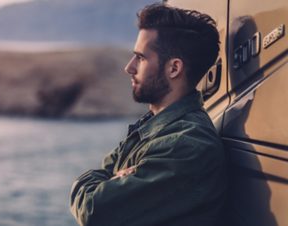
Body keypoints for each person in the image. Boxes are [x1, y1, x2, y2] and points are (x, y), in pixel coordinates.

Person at [69, 3, 227, 226]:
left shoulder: (186, 144)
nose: (129, 67)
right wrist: (108, 179)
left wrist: (87, 182)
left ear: (174, 68)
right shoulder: (155, 126)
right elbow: (106, 170)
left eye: (140, 58)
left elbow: (94, 210)